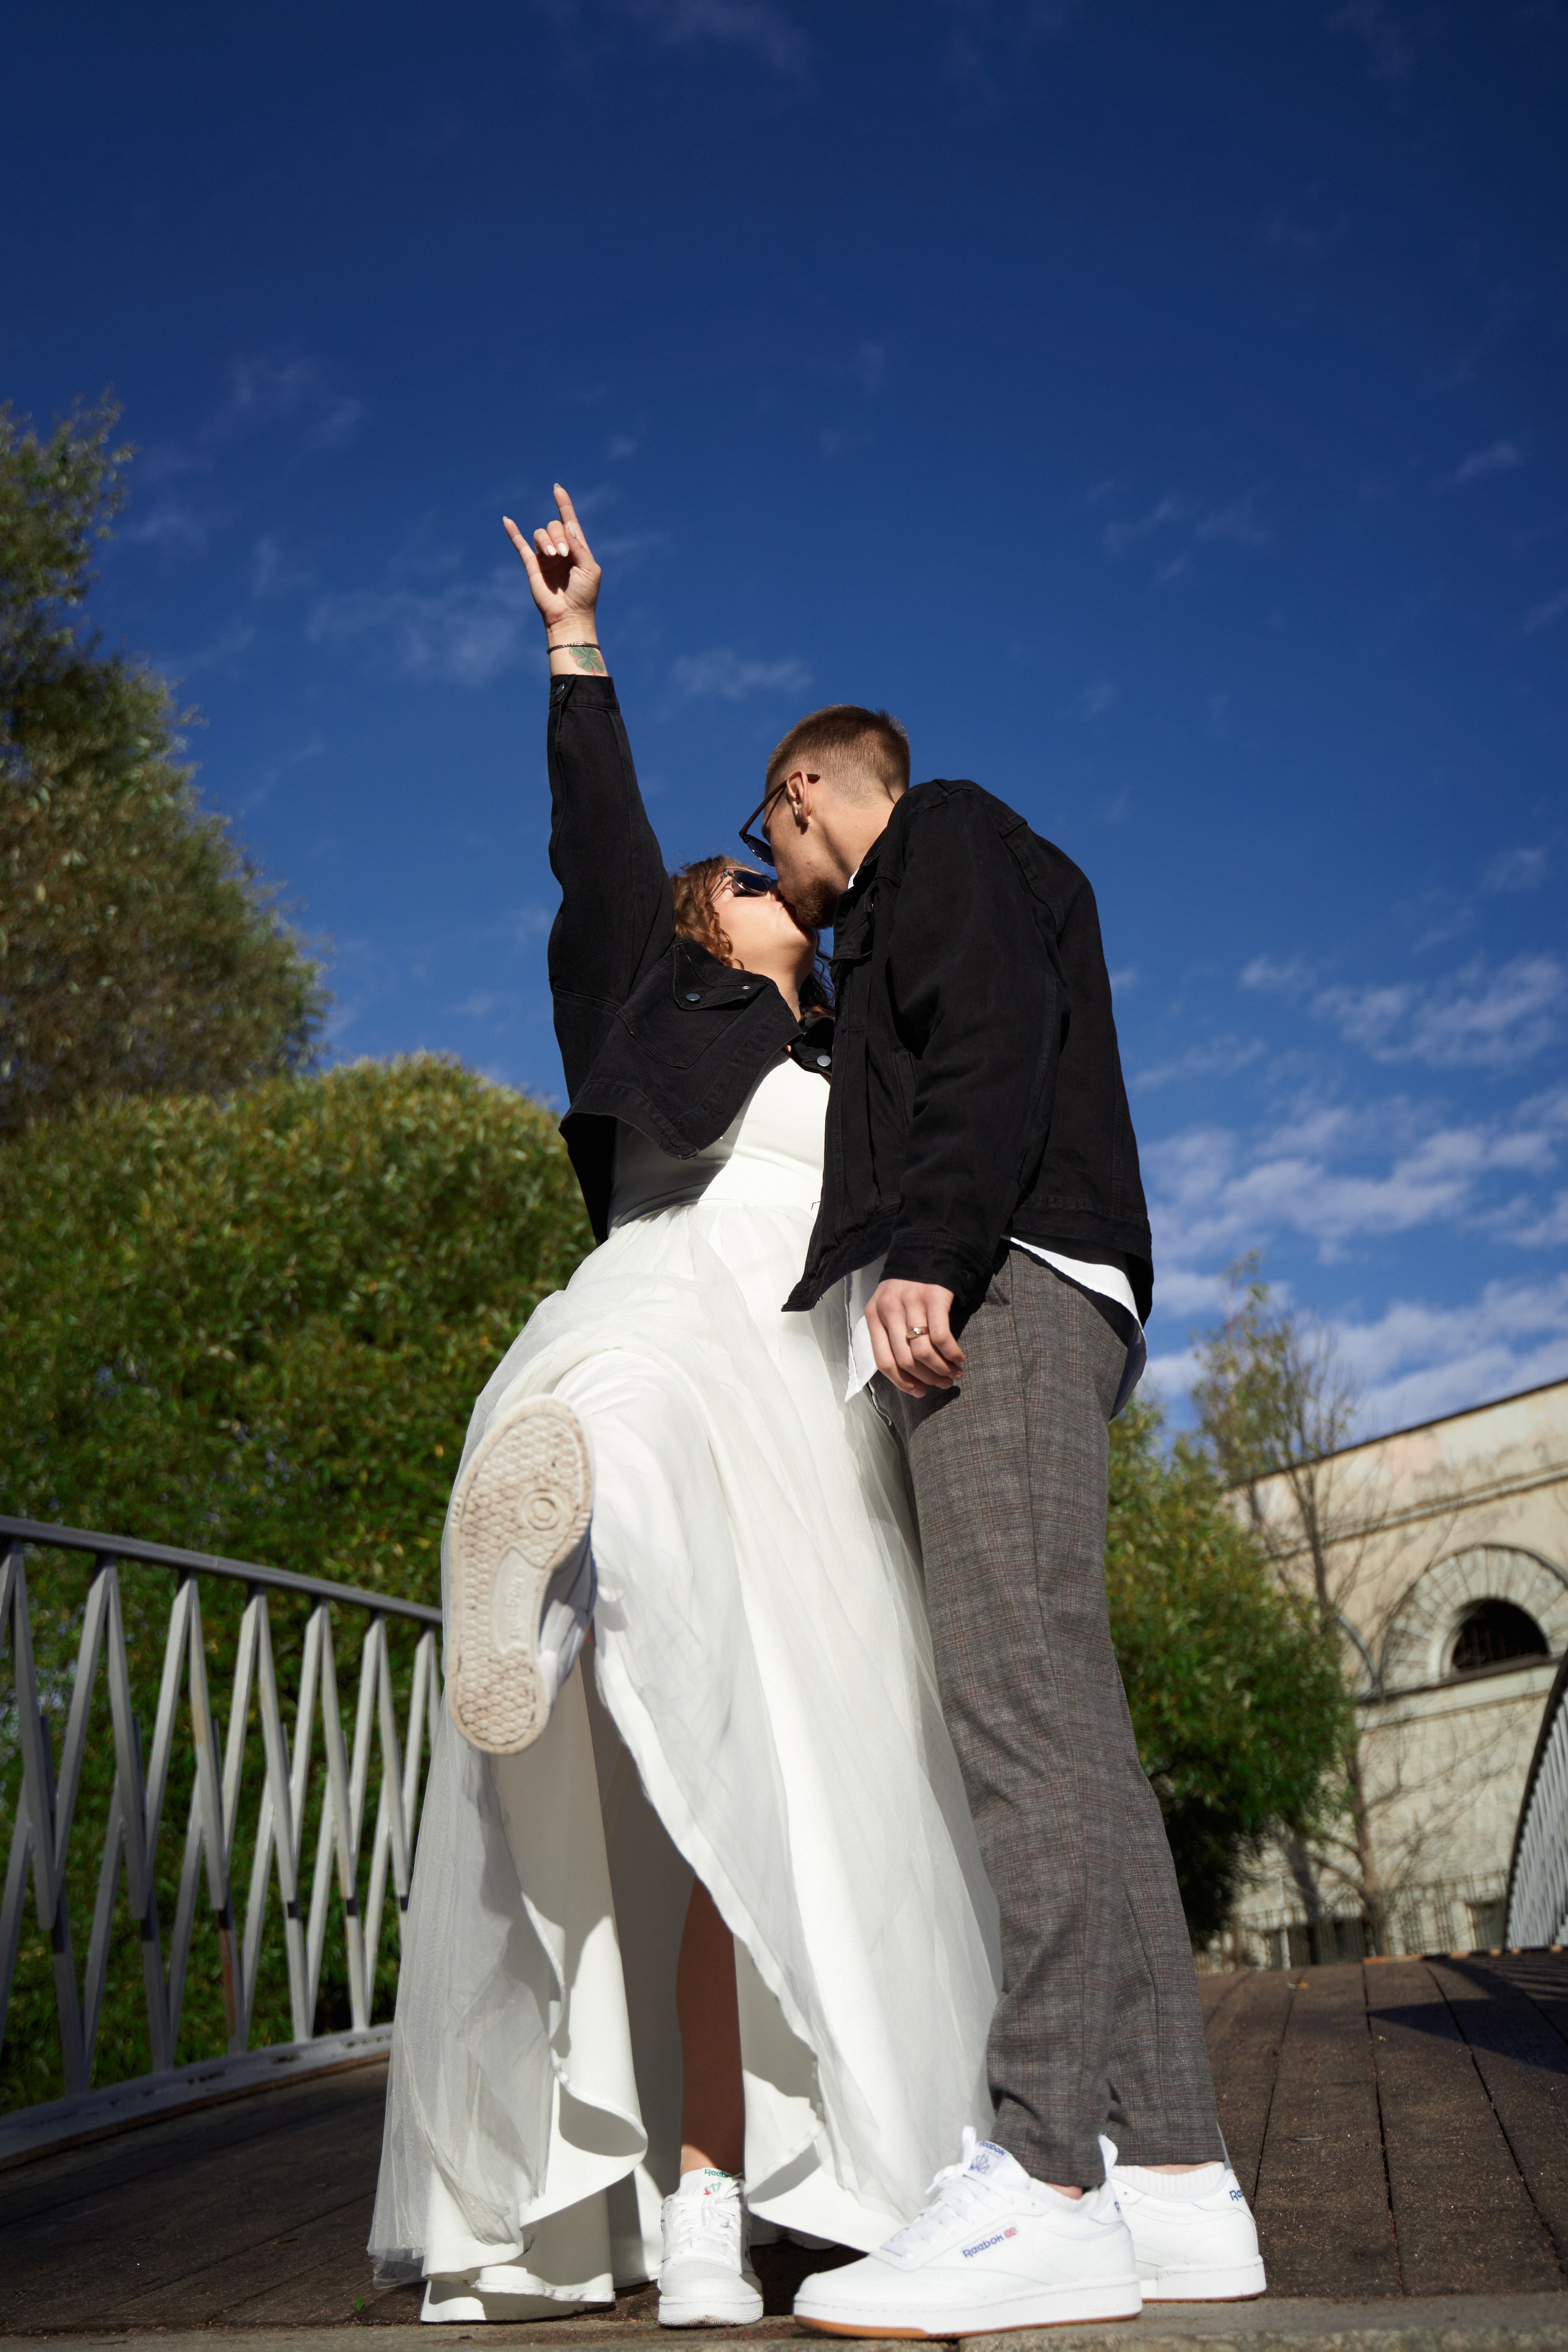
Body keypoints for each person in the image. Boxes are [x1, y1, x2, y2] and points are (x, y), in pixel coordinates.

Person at [369, 492, 1001, 2329]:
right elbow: (604, 855)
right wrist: (577, 645)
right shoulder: (655, 995)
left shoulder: (853, 1049)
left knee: (768, 1786)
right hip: (677, 1312)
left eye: (769, 867)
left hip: (810, 1423)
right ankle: (549, 1581)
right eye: (732, 879)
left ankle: (759, 2203)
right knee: (618, 1410)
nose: (754, 880)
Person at [737, 710, 1269, 2333]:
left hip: (1004, 1291)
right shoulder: (947, 876)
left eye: (770, 833)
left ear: (809, 791)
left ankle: (1046, 2178)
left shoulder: (943, 838)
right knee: (1074, 1734)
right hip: (1046, 1289)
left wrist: (935, 1250)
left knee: (1014, 1725)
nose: (777, 865)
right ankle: (1173, 2176)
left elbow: (989, 1035)